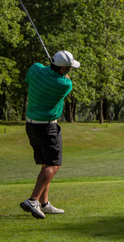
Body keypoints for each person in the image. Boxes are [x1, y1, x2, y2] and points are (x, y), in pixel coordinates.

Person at [20, 50, 80, 219]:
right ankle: (33, 200)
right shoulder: (65, 85)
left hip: (31, 125)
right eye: (69, 68)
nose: (70, 71)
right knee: (54, 165)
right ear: (63, 69)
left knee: (46, 164)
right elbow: (66, 80)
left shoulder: (35, 69)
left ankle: (44, 203)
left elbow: (36, 75)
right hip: (47, 128)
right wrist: (60, 73)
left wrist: (49, 70)